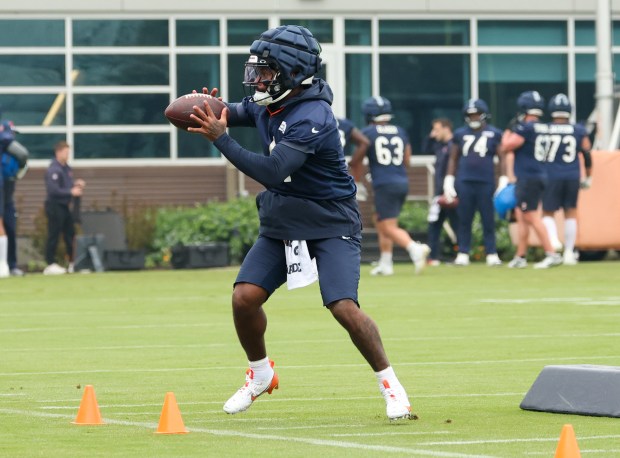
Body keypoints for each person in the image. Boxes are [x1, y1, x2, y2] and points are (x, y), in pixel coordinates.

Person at [187, 25, 412, 421]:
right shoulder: (269, 102)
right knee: (244, 297)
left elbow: (274, 170)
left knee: (343, 306)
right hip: (284, 218)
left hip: (329, 220)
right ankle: (260, 374)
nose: (257, 79)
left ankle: (391, 384)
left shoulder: (314, 114)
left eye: (266, 71)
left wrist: (222, 139)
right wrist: (202, 108)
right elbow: (226, 114)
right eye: (255, 70)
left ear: (290, 73)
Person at [349, 96, 430, 276]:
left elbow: (357, 160)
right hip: (401, 180)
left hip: (384, 183)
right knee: (382, 220)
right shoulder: (400, 130)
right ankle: (386, 263)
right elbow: (407, 158)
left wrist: (359, 180)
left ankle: (414, 248)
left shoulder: (368, 132)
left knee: (387, 226)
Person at [500, 90, 562, 269]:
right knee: (521, 214)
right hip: (539, 173)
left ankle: (551, 253)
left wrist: (510, 130)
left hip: (529, 176)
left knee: (531, 215)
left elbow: (506, 146)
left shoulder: (527, 127)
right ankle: (520, 255)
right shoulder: (545, 127)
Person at [444, 99, 504, 266]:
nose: (473, 117)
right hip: (465, 181)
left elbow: (502, 157)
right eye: (470, 115)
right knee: (464, 218)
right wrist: (449, 180)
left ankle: (491, 253)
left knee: (488, 218)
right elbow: (453, 158)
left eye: (476, 114)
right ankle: (463, 252)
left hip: (486, 181)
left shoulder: (494, 133)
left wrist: (503, 178)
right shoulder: (460, 134)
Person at [541, 93, 593, 265]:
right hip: (571, 175)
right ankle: (569, 252)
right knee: (570, 212)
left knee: (547, 212)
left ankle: (555, 242)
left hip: (551, 175)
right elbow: (586, 153)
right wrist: (589, 175)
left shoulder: (545, 129)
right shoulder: (578, 130)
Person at [44, 140, 85, 275]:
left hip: (65, 207)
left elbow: (66, 184)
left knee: (70, 234)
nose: (67, 155)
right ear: (58, 152)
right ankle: (50, 263)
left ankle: (73, 263)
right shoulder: (53, 169)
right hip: (55, 206)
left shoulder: (66, 168)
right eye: (66, 152)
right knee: (54, 235)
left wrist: (75, 184)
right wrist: (70, 192)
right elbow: (53, 190)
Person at [426, 118, 458, 266]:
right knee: (434, 224)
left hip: (452, 191)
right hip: (439, 191)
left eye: (437, 129)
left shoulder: (454, 144)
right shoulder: (439, 146)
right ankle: (433, 256)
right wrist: (430, 136)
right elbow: (425, 148)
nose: (435, 133)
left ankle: (462, 253)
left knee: (457, 223)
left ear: (446, 128)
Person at [1, 119, 29, 277]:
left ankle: (11, 265)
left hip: (8, 192)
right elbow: (23, 153)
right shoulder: (5, 141)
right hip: (2, 188)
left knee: (10, 228)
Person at [337, 117, 370, 201]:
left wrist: (352, 162)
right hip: (340, 173)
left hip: (321, 176)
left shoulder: (314, 121)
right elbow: (364, 142)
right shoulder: (343, 123)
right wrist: (352, 163)